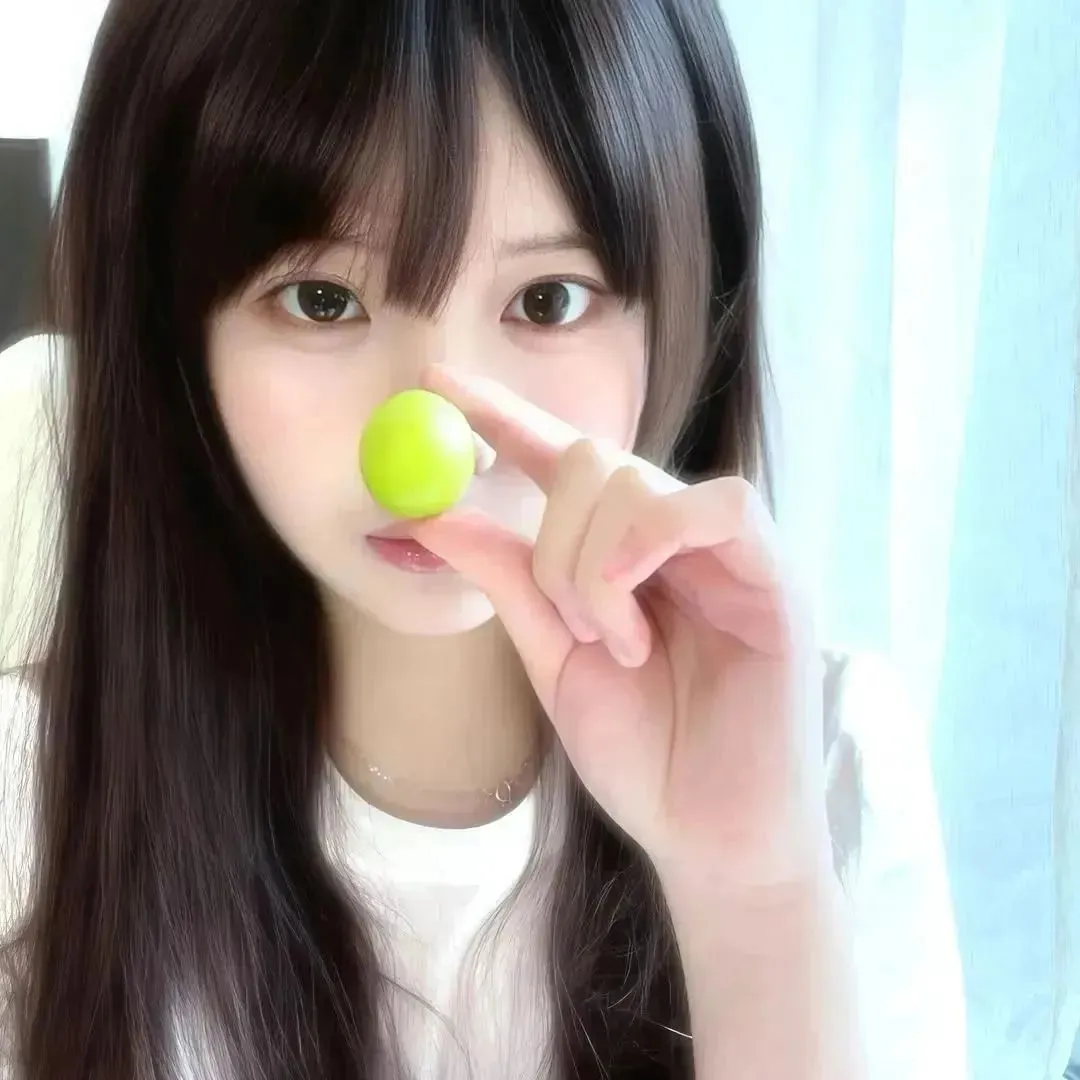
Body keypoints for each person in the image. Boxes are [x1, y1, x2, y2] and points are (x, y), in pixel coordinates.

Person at [0, 0, 968, 1077]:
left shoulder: (825, 769)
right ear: (175, 334)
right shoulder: (28, 796)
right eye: (321, 300)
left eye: (547, 301)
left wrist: (752, 898)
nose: (434, 444)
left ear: (687, 308)